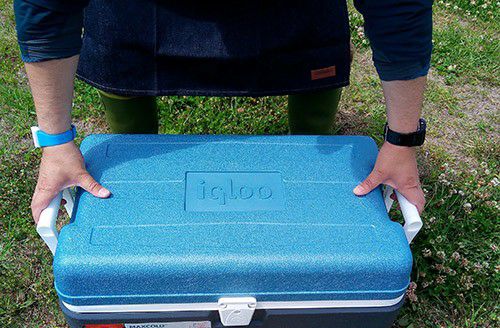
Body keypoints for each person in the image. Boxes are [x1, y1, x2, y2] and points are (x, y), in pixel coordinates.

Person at [14, 0, 432, 222]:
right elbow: (46, 8)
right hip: (137, 13)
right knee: (124, 93)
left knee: (313, 113)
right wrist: (56, 141)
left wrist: (402, 141)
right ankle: (137, 209)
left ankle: (309, 197)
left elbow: (397, 7)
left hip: (295, 14)